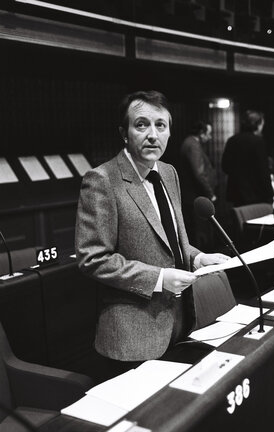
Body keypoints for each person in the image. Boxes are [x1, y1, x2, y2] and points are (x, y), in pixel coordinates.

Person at [75, 90, 229, 379]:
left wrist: (197, 258)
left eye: (161, 125)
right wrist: (158, 279)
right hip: (133, 336)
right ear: (124, 133)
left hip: (182, 323)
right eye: (141, 124)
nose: (152, 135)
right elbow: (92, 258)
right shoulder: (101, 180)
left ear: (170, 132)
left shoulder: (169, 173)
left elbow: (171, 238)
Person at [221, 109, 273, 207]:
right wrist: (269, 195)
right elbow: (263, 171)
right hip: (256, 195)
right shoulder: (258, 142)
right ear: (257, 124)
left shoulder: (232, 140)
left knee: (240, 220)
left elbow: (225, 167)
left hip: (236, 193)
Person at [178, 121, 217, 245]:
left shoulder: (189, 142)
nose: (210, 137)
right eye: (208, 134)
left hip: (192, 195)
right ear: (201, 133)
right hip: (196, 195)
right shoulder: (193, 145)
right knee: (200, 233)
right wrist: (210, 193)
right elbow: (199, 173)